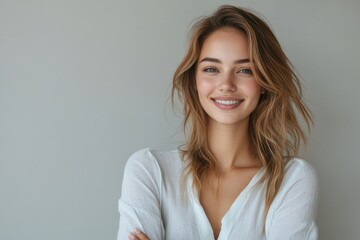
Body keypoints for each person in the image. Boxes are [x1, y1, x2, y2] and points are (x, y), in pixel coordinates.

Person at [117, 5, 318, 240]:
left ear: (264, 81)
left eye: (244, 70)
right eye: (211, 69)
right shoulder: (149, 170)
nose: (226, 84)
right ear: (194, 80)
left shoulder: (293, 180)